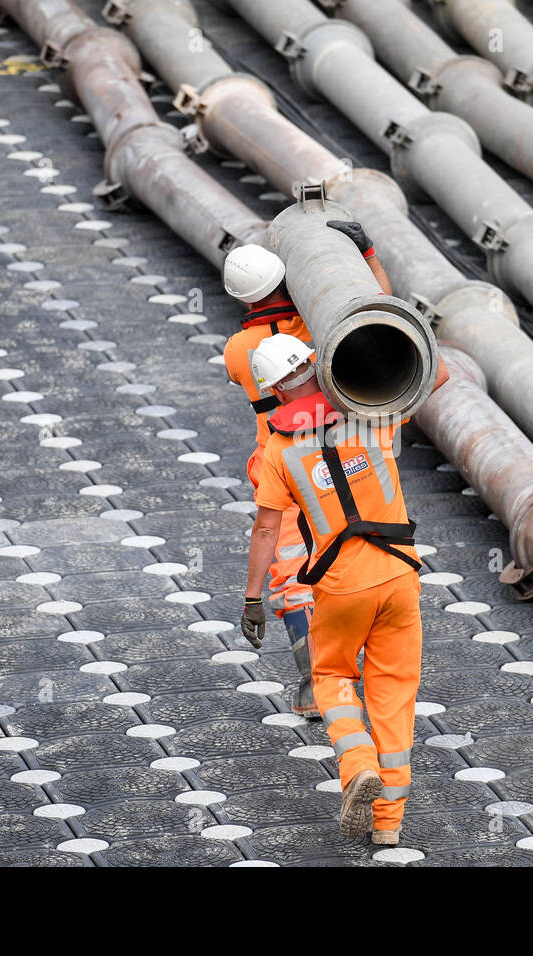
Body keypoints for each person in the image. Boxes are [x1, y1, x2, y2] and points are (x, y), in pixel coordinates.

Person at [239, 333, 447, 846]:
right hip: (399, 577)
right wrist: (368, 341)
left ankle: (356, 766)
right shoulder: (372, 409)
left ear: (275, 391)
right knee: (394, 695)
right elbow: (437, 373)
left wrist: (251, 598)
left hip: (340, 586)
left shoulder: (278, 449)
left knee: (330, 673)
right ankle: (387, 827)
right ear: (315, 364)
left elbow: (267, 530)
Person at [221, 224, 389, 719]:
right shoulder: (316, 326)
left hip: (277, 460)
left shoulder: (238, 349)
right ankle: (371, 667)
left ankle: (315, 683)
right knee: (358, 549)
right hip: (342, 451)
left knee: (291, 566)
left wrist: (252, 598)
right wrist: (366, 256)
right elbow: (380, 314)